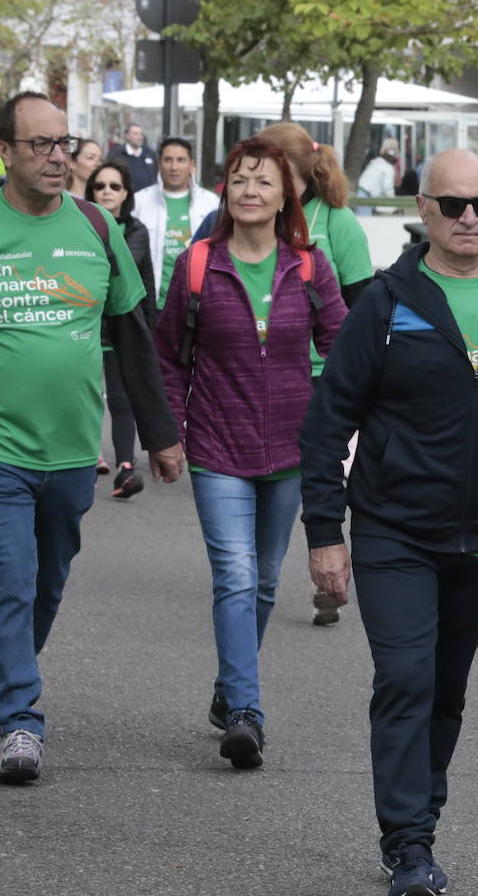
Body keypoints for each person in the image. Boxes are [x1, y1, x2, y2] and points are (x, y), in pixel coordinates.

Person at [301, 148, 478, 896]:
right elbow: (326, 425)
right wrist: (325, 533)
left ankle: (422, 822)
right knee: (407, 679)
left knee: (446, 691)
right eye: (454, 205)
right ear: (424, 209)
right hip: (395, 531)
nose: (471, 218)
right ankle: (408, 843)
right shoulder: (386, 303)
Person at [0, 92, 183, 784]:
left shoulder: (98, 228)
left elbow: (137, 340)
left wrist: (161, 436)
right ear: (5, 151)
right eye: (39, 144)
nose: (56, 156)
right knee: (8, 582)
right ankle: (20, 718)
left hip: (75, 451)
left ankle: (2, 688)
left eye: (63, 143)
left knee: (45, 584)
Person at [153, 137, 346, 769]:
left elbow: (343, 348)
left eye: (263, 181)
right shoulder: (198, 263)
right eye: (239, 181)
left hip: (290, 449)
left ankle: (227, 687)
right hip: (216, 445)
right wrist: (172, 431)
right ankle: (245, 711)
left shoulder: (310, 265)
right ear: (225, 192)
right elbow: (167, 355)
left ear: (285, 192)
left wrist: (339, 424)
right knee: (235, 577)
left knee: (264, 582)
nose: (250, 192)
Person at [193, 122, 375, 626]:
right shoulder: (233, 224)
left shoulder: (337, 223)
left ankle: (325, 567)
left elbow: (360, 305)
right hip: (255, 374)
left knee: (322, 481)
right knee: (245, 551)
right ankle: (250, 576)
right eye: (245, 178)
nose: (256, 187)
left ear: (295, 179)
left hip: (322, 378)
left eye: (273, 176)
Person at [86, 158, 157, 499]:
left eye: (114, 186)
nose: (106, 192)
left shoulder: (136, 230)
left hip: (118, 328)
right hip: (82, 327)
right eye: (99, 186)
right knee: (81, 395)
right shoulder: (77, 227)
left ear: (126, 193)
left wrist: (151, 331)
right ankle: (84, 459)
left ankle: (125, 467)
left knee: (119, 398)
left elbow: (128, 274)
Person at [134, 136, 219, 305]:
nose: (174, 167)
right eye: (168, 160)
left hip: (196, 302)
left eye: (181, 160)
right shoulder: (139, 201)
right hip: (153, 302)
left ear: (192, 165)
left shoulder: (211, 203)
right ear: (159, 164)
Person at [107, 122, 158, 191]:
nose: (139, 137)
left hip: (147, 198)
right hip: (125, 198)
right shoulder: (116, 154)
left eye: (141, 134)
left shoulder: (150, 153)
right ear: (127, 136)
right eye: (136, 134)